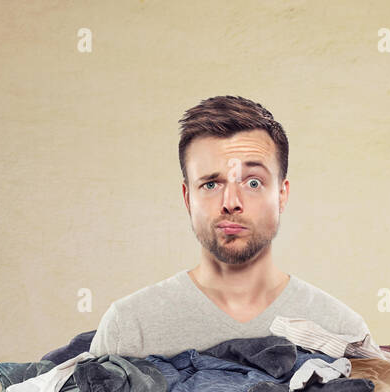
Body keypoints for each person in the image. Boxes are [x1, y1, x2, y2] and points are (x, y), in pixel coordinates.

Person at [89, 95, 370, 358]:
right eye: (211, 184)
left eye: (253, 183)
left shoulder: (342, 330)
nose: (231, 202)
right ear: (188, 198)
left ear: (281, 195)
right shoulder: (128, 328)